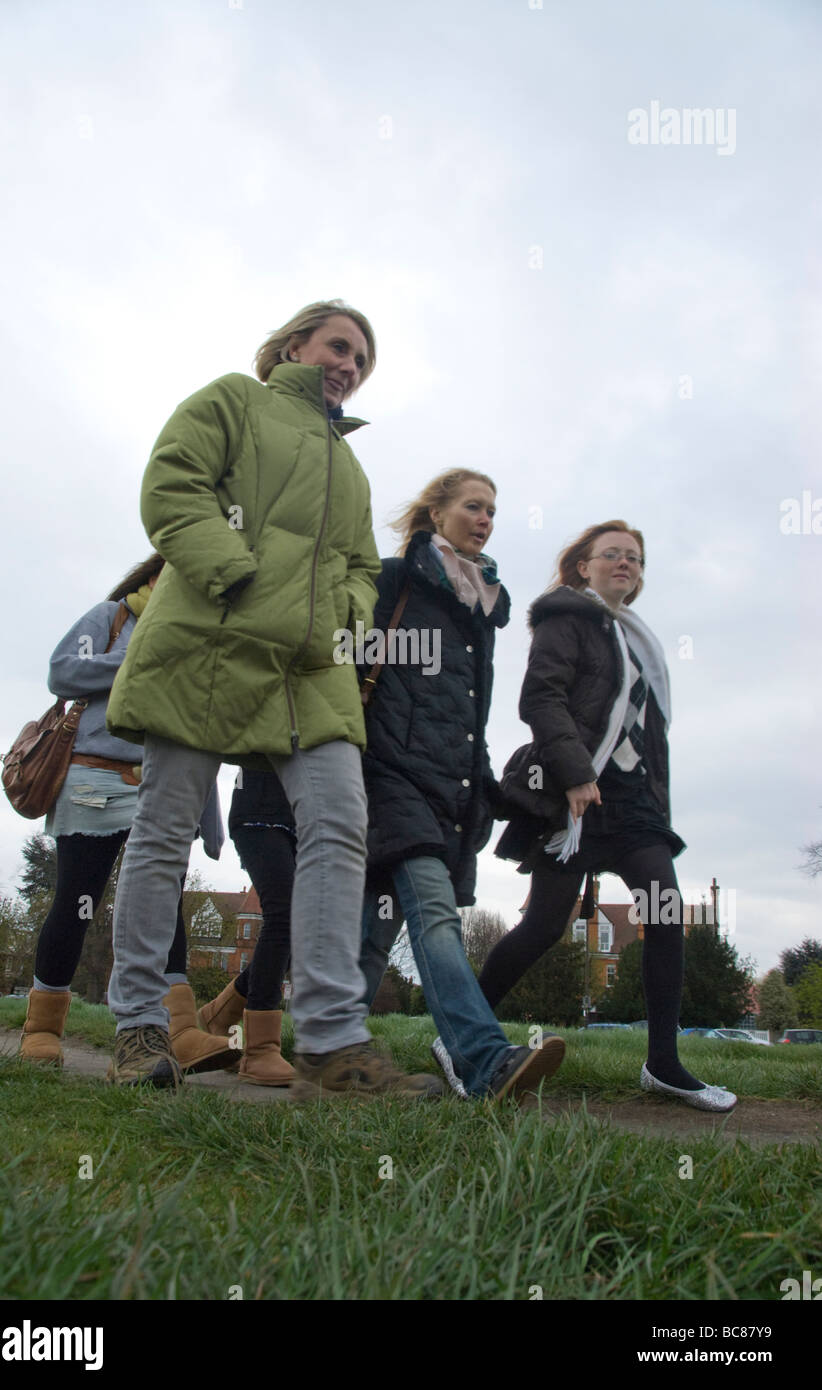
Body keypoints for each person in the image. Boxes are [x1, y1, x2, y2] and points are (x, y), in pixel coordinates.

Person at [104, 300, 440, 1096]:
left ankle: (332, 1043)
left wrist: (342, 616)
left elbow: (362, 567)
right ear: (295, 344)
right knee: (164, 828)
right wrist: (238, 572)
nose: (350, 366)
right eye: (340, 346)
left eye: (362, 360)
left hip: (309, 670)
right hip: (207, 641)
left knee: (339, 823)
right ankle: (138, 1029)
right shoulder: (233, 400)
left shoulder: (351, 468)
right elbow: (171, 483)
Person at [476, 521, 736, 1112]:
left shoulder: (642, 641)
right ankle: (463, 1030)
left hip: (635, 806)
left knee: (665, 912)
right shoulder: (565, 619)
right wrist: (574, 774)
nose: (625, 564)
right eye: (612, 555)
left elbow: (650, 735)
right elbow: (540, 698)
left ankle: (664, 1064)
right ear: (583, 567)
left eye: (635, 559)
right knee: (542, 926)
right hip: (576, 796)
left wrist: (657, 802)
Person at [356, 469, 566, 1100]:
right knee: (434, 913)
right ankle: (483, 1059)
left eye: (493, 512)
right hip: (388, 773)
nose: (486, 520)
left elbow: (468, 712)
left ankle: (331, 1054)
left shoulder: (482, 607)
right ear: (436, 512)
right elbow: (341, 658)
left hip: (451, 792)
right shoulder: (393, 583)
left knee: (372, 933)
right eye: (474, 507)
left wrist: (488, 787)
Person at [19, 556, 235, 1075]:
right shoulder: (112, 616)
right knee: (78, 898)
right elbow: (61, 672)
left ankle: (177, 1031)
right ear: (151, 577)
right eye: (172, 576)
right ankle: (43, 1025)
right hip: (95, 775)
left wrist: (210, 818)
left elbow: (197, 732)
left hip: (163, 783)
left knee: (165, 904)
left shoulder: (198, 638)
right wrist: (142, 658)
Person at [197, 768, 296, 1086]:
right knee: (285, 914)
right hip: (261, 812)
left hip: (309, 819)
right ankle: (259, 1048)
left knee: (307, 929)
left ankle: (219, 1015)